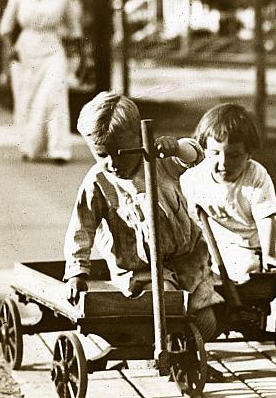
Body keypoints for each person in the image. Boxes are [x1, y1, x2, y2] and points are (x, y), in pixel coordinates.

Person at [63, 92, 223, 342]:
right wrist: (77, 272)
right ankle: (172, 357)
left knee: (207, 322)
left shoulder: (159, 162)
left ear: (139, 137)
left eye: (121, 152)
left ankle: (189, 355)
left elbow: (195, 155)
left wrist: (177, 147)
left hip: (187, 258)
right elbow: (81, 228)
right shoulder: (98, 181)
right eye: (102, 155)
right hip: (140, 269)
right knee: (166, 306)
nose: (113, 163)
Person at [180, 102, 276, 334]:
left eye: (234, 155)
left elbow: (266, 219)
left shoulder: (256, 176)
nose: (223, 163)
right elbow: (186, 214)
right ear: (204, 150)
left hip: (262, 235)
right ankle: (228, 316)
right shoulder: (194, 178)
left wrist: (270, 255)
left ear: (249, 154)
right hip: (222, 239)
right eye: (214, 153)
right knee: (225, 274)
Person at [0, 0, 84, 164]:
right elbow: (6, 28)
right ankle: (30, 147)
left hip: (53, 50)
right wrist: (11, 49)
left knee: (55, 95)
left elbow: (75, 30)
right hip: (26, 51)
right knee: (28, 100)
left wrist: (82, 57)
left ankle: (59, 149)